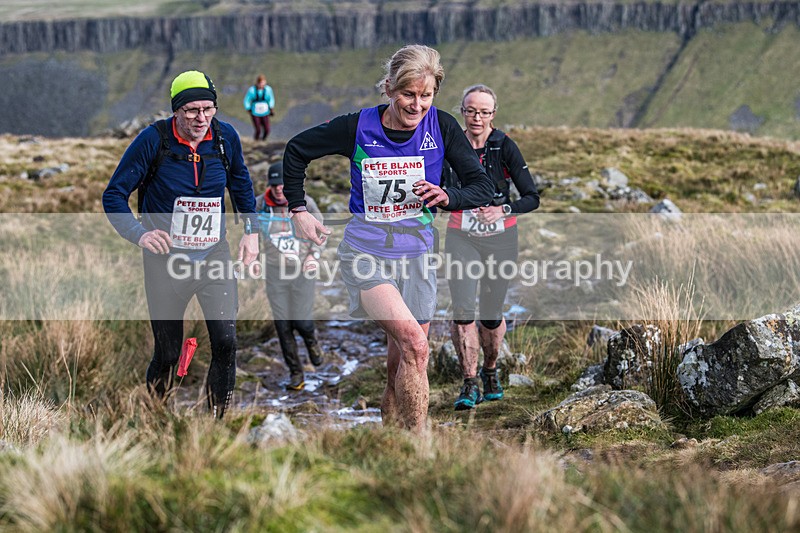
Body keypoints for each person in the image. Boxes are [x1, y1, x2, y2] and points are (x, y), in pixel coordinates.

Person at [282, 45, 494, 433]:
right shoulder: (357, 126)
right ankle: (419, 449)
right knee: (416, 344)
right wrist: (298, 210)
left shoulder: (442, 127)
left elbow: (483, 186)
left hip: (418, 257)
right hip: (366, 254)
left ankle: (391, 442)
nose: (417, 105)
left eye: (426, 96)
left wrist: (450, 196)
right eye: (407, 94)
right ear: (389, 88)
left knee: (402, 362)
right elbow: (296, 151)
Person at [103, 70, 260, 418]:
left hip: (213, 256)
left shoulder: (224, 138)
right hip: (165, 262)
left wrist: (251, 230)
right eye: (191, 110)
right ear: (176, 110)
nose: (200, 118)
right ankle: (158, 417)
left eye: (208, 108)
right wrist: (140, 233)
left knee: (226, 343)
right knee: (169, 352)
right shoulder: (152, 140)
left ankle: (215, 426)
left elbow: (241, 183)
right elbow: (113, 195)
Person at [444, 84, 540, 410]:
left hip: (501, 239)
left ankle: (490, 370)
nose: (477, 118)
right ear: (462, 111)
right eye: (471, 110)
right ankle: (468, 383)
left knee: (490, 313)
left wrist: (503, 209)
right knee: (462, 310)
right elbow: (437, 187)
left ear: (493, 115)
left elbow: (531, 197)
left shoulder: (504, 147)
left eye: (484, 112)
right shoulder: (450, 145)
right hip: (461, 236)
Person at [257, 161, 325, 391]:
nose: (278, 188)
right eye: (274, 184)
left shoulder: (306, 202)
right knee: (283, 325)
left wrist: (313, 256)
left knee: (302, 321)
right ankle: (296, 374)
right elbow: (250, 231)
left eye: (282, 184)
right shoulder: (260, 205)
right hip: (275, 273)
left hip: (302, 270)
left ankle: (312, 340)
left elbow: (320, 232)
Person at [243, 74, 275, 141]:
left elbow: (271, 98)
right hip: (255, 112)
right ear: (257, 83)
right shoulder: (252, 90)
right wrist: (248, 108)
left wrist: (271, 108)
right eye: (260, 83)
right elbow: (247, 100)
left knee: (267, 129)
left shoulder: (268, 89)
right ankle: (256, 141)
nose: (262, 85)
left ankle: (263, 140)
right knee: (258, 130)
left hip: (265, 112)